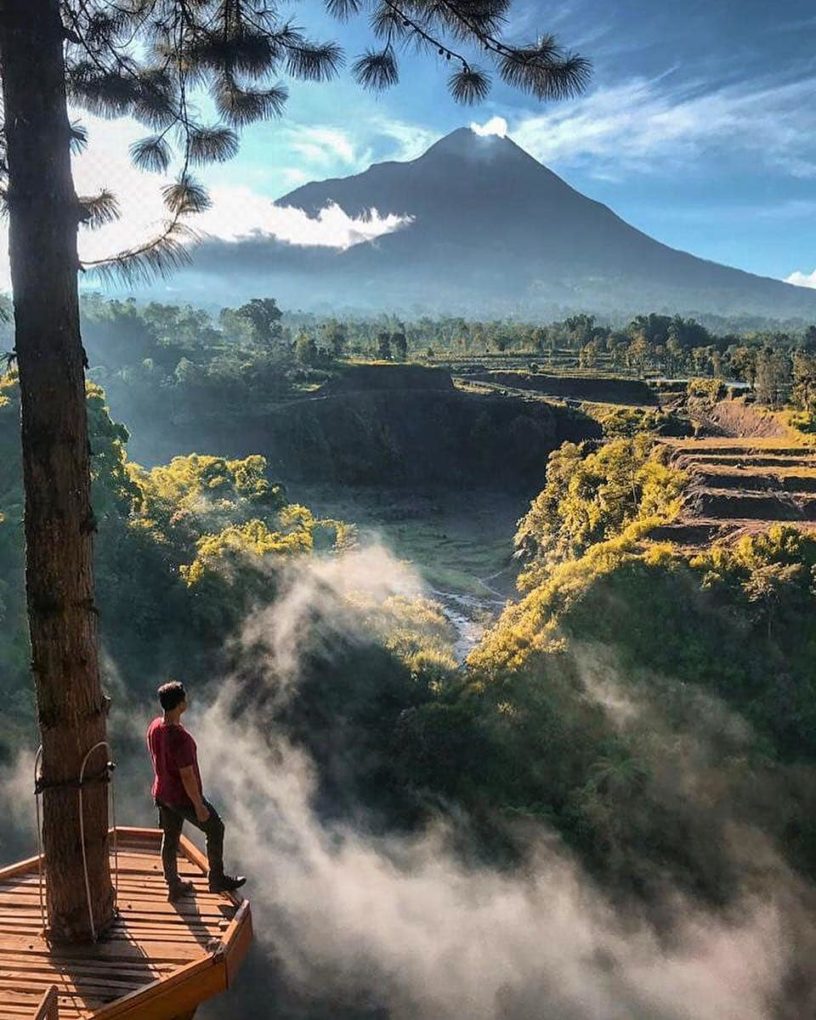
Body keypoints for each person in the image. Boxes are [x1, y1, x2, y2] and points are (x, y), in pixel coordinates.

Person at [146, 680, 246, 902]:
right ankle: (216, 879)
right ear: (180, 704)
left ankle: (173, 885)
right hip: (181, 797)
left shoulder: (155, 727)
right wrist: (199, 805)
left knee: (170, 839)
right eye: (185, 698)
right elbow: (187, 776)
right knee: (215, 828)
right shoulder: (181, 739)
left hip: (162, 792)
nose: (187, 701)